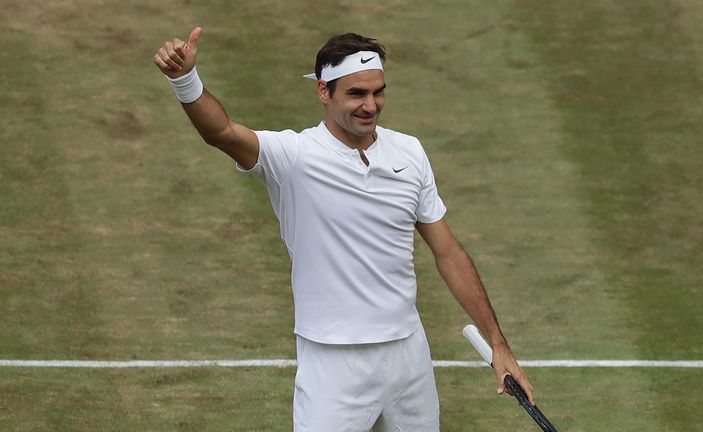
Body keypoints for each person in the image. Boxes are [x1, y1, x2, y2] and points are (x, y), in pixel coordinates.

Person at [154, 27, 534, 431]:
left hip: (408, 355)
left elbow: (449, 253)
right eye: (356, 94)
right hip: (334, 364)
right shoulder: (294, 157)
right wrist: (184, 79)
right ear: (324, 92)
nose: (370, 105)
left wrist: (499, 344)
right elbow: (222, 133)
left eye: (378, 92)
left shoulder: (410, 153)